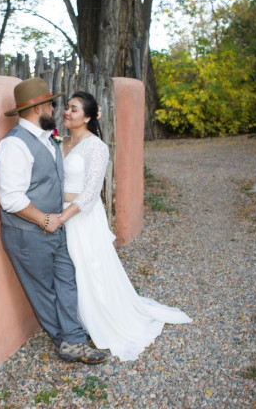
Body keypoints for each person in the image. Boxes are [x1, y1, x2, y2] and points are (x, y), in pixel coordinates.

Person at [58, 91, 192, 362]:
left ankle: (98, 319)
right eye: (66, 108)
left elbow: (90, 193)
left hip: (80, 217)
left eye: (73, 109)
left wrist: (62, 215)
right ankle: (76, 319)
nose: (66, 113)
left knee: (89, 267)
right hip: (61, 212)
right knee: (68, 268)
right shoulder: (60, 142)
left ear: (87, 116)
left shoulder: (96, 147)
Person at [0, 78, 108, 364]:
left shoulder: (50, 137)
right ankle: (67, 342)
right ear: (39, 107)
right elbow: (11, 198)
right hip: (28, 233)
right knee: (43, 289)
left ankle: (74, 336)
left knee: (66, 281)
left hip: (56, 227)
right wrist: (44, 220)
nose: (57, 110)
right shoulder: (13, 146)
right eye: (52, 105)